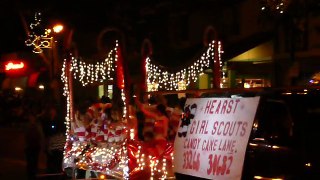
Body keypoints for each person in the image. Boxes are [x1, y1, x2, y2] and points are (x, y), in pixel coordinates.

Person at [25, 110, 44, 180]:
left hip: (35, 145)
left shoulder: (37, 125)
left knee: (34, 161)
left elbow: (41, 135)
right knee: (30, 162)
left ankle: (34, 174)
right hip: (29, 146)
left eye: (32, 117)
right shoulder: (27, 125)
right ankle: (30, 175)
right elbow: (26, 135)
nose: (31, 118)